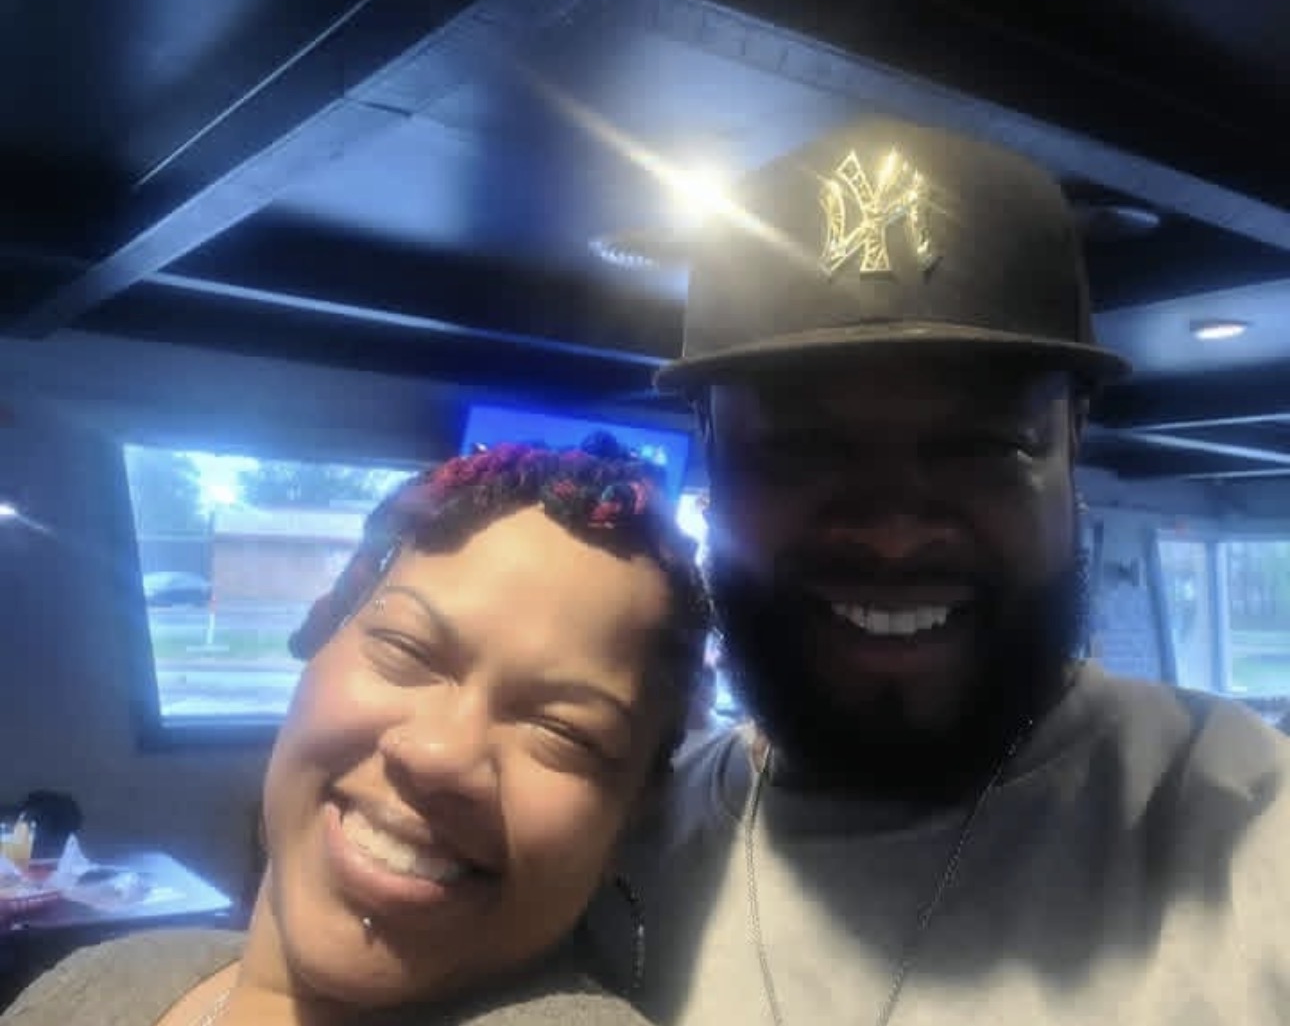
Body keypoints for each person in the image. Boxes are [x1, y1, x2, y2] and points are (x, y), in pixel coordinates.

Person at [584, 118, 1290, 1024]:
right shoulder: (604, 860)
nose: (891, 536)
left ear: (1073, 442)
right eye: (801, 448)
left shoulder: (1248, 829)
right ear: (710, 448)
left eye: (982, 447)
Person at [3, 436, 708, 1025]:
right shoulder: (103, 981)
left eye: (563, 730)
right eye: (406, 650)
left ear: (632, 818)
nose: (441, 754)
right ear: (319, 637)